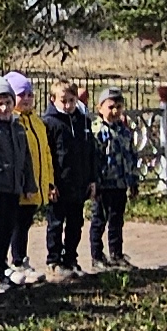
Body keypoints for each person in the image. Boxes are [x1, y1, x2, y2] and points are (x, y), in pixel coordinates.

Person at [0, 73, 56, 286]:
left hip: (16, 188)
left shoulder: (20, 128)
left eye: (8, 102)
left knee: (9, 230)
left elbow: (27, 160)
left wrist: (31, 184)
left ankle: (4, 268)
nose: (4, 108)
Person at [43, 81, 100, 277]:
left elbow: (90, 152)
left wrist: (92, 180)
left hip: (79, 182)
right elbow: (47, 155)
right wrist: (49, 183)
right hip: (59, 184)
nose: (68, 105)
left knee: (76, 223)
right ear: (53, 100)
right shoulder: (49, 123)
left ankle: (71, 259)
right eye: (63, 101)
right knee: (56, 223)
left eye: (71, 100)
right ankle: (54, 260)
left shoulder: (83, 121)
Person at [89, 89, 142, 268]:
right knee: (99, 220)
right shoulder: (96, 131)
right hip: (104, 184)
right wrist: (94, 182)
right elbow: (93, 159)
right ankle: (96, 256)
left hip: (120, 182)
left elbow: (131, 156)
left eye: (118, 107)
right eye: (110, 107)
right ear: (100, 108)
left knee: (117, 220)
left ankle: (116, 254)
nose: (114, 111)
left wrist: (133, 181)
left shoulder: (124, 131)